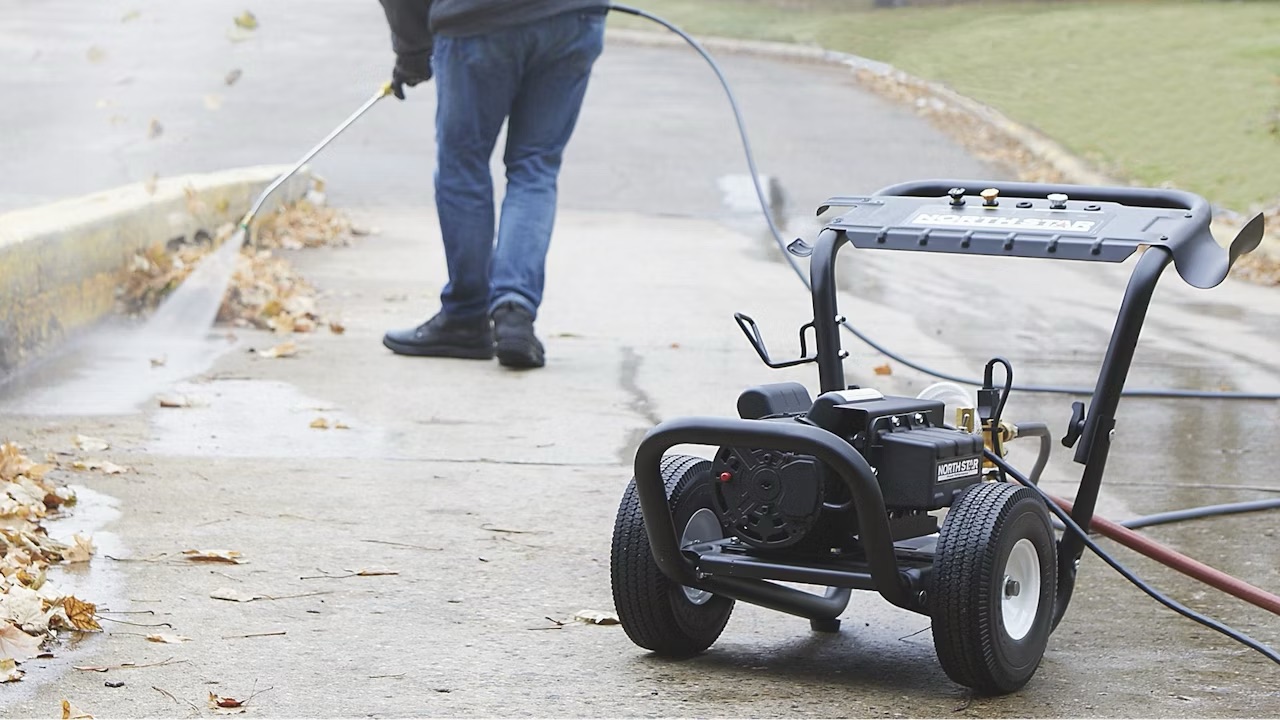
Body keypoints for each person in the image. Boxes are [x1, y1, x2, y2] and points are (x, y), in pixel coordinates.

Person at [377, 0, 608, 369]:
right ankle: (514, 311)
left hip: (478, 21)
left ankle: (467, 317)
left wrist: (413, 51)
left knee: (463, 164)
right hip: (573, 19)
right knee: (536, 166)